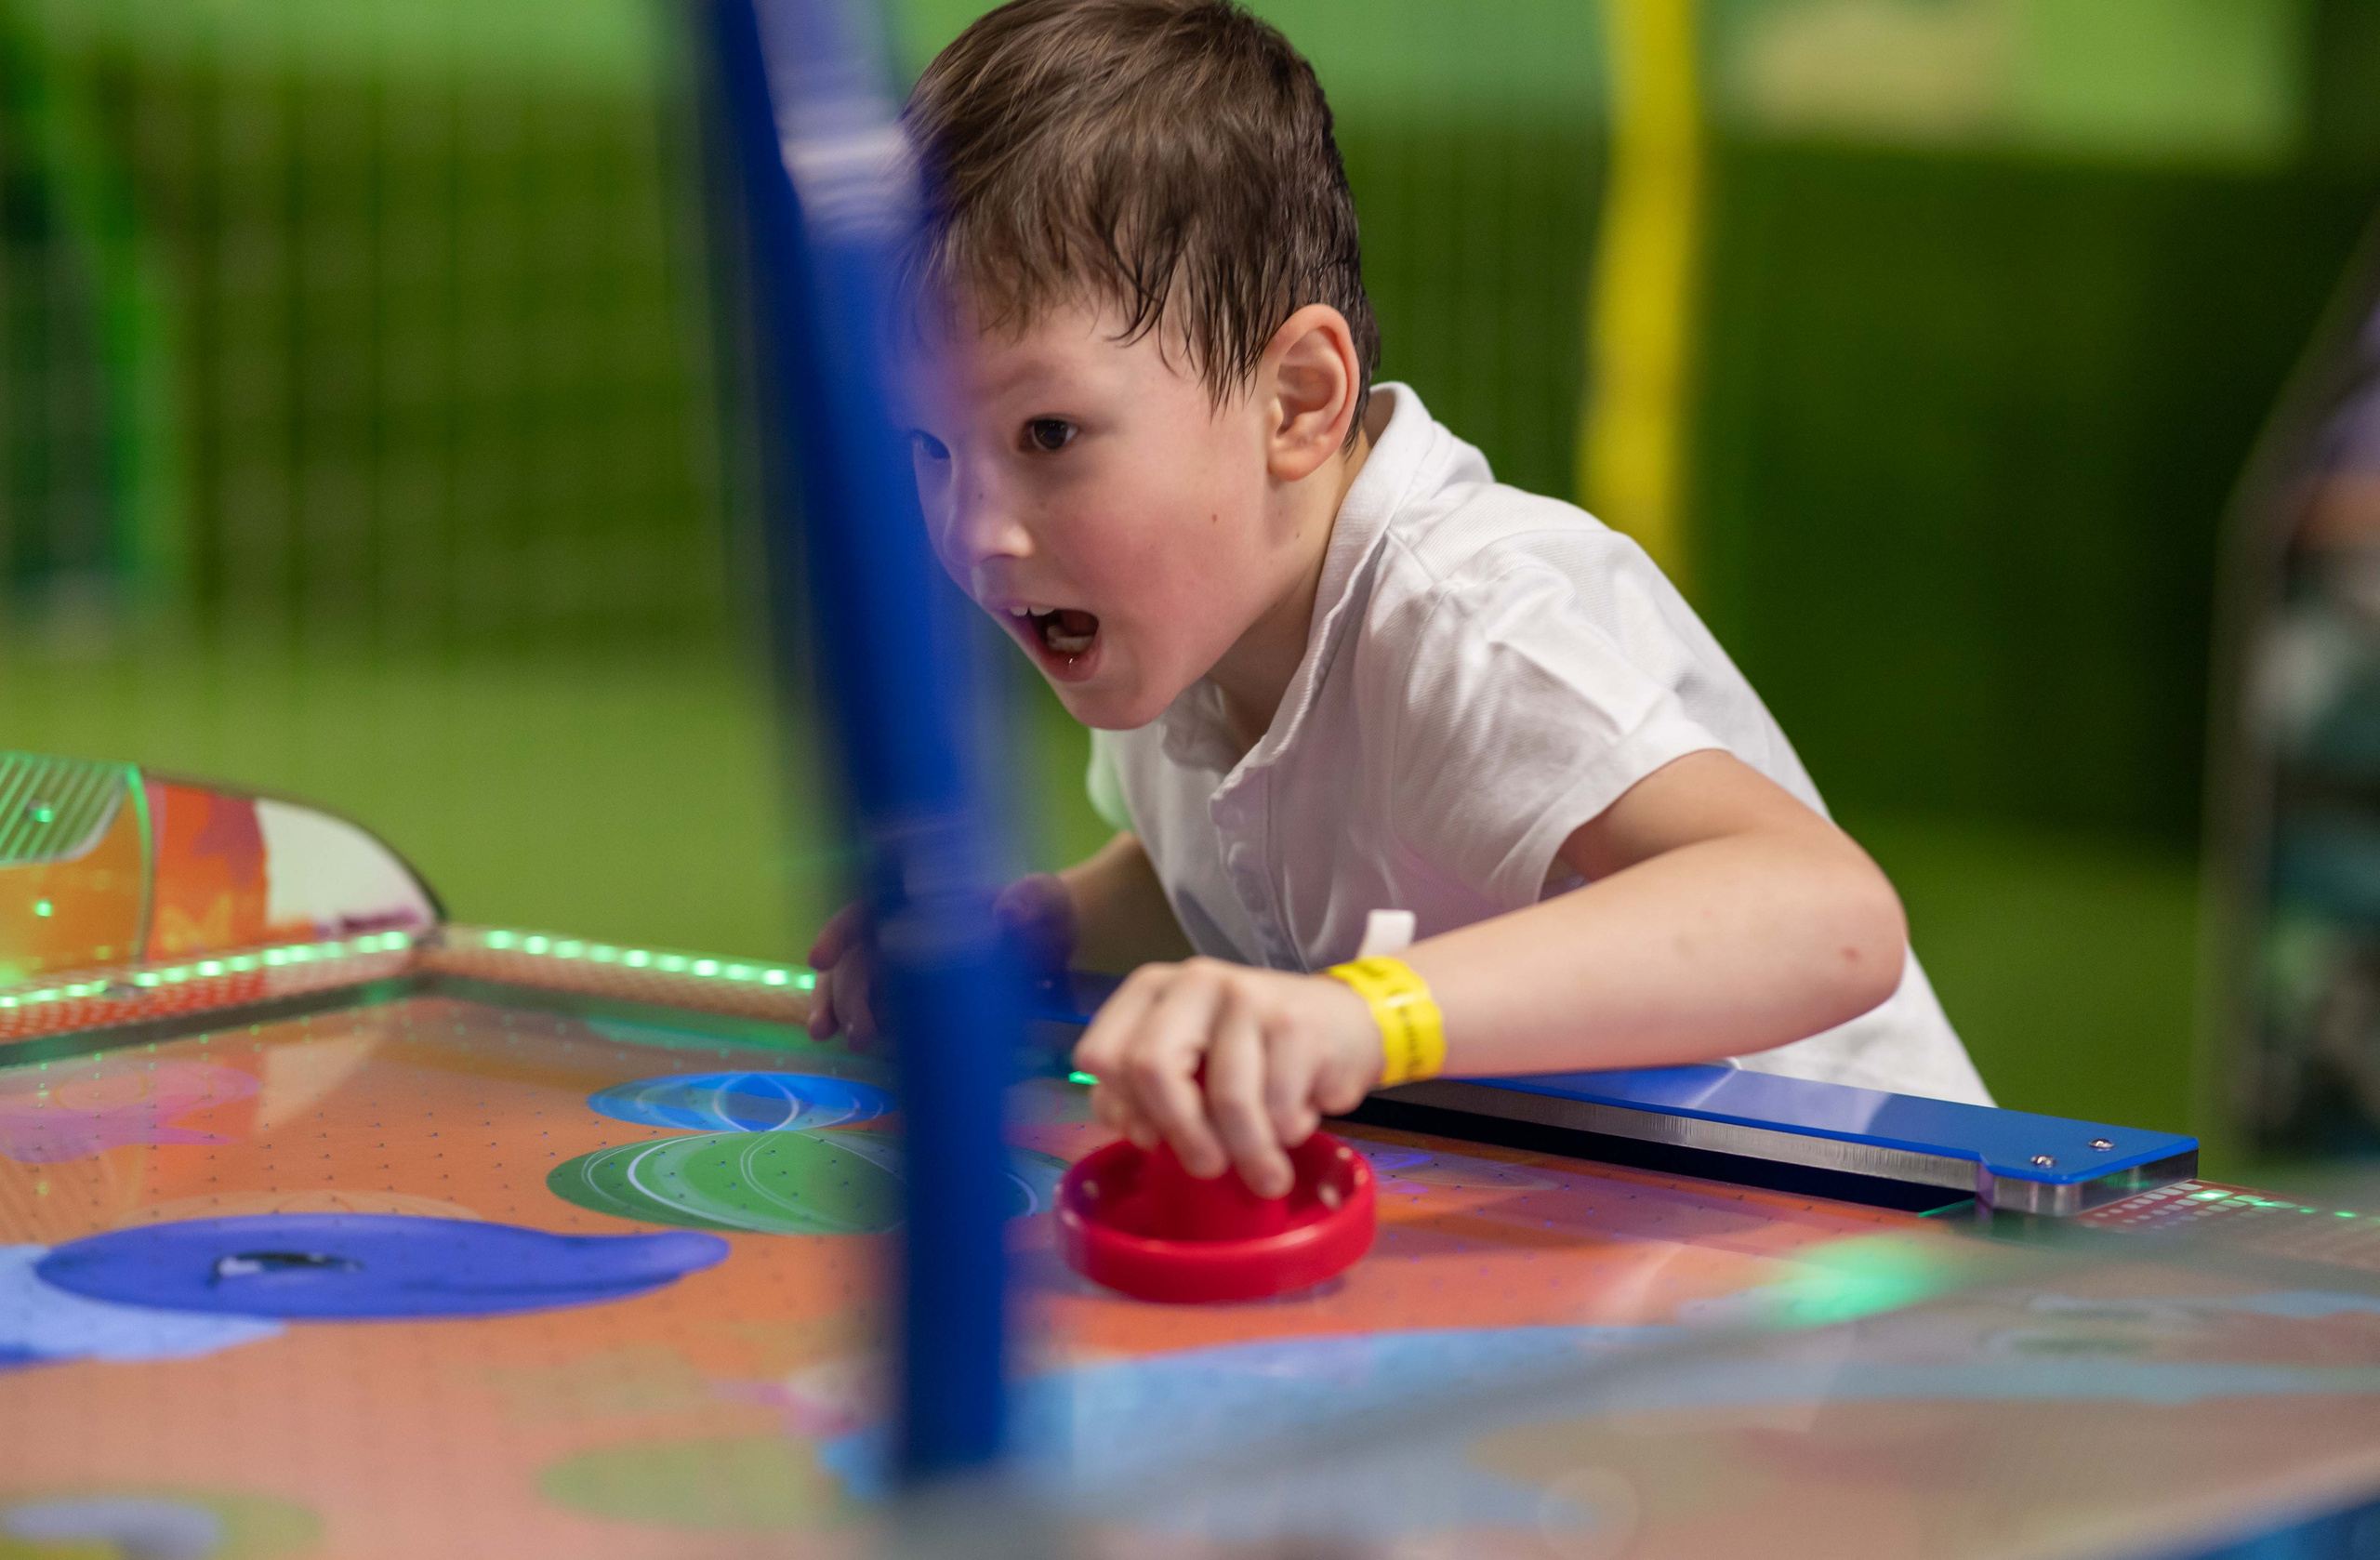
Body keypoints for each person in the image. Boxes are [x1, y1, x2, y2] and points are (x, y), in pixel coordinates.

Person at [807, 0, 1990, 1198]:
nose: (972, 528)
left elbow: (1830, 919)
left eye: (1048, 432)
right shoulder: (1193, 623)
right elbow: (1231, 887)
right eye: (929, 443)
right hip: (1646, 1236)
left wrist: (1357, 1020)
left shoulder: (1466, 619)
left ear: (1298, 402)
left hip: (1886, 1234)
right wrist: (1034, 928)